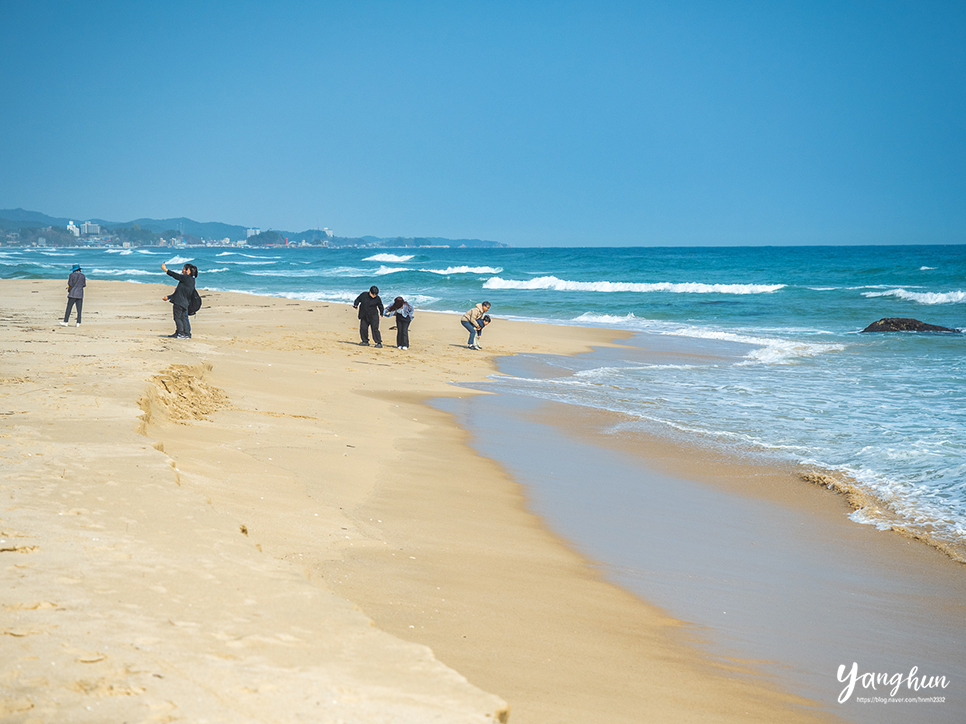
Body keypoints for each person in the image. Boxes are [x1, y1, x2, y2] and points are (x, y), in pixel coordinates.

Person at [161, 262, 197, 339]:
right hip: (185, 302)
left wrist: (165, 270)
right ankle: (186, 334)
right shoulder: (192, 280)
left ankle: (180, 333)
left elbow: (175, 275)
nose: (182, 270)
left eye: (184, 268)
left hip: (179, 302)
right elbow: (180, 292)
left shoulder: (186, 278)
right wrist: (169, 297)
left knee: (178, 318)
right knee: (184, 318)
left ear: (188, 271)